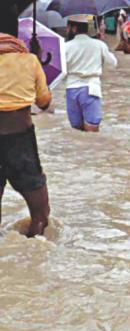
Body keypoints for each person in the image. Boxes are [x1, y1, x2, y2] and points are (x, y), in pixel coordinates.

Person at [0, 10, 52, 237]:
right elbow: (44, 101)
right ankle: (35, 253)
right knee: (41, 215)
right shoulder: (28, 60)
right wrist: (36, 62)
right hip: (20, 138)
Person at [65, 15, 117, 132]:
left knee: (76, 130)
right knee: (92, 129)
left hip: (71, 89)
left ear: (73, 28)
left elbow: (62, 70)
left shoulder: (66, 47)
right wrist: (103, 46)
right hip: (91, 88)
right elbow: (113, 63)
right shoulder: (98, 45)